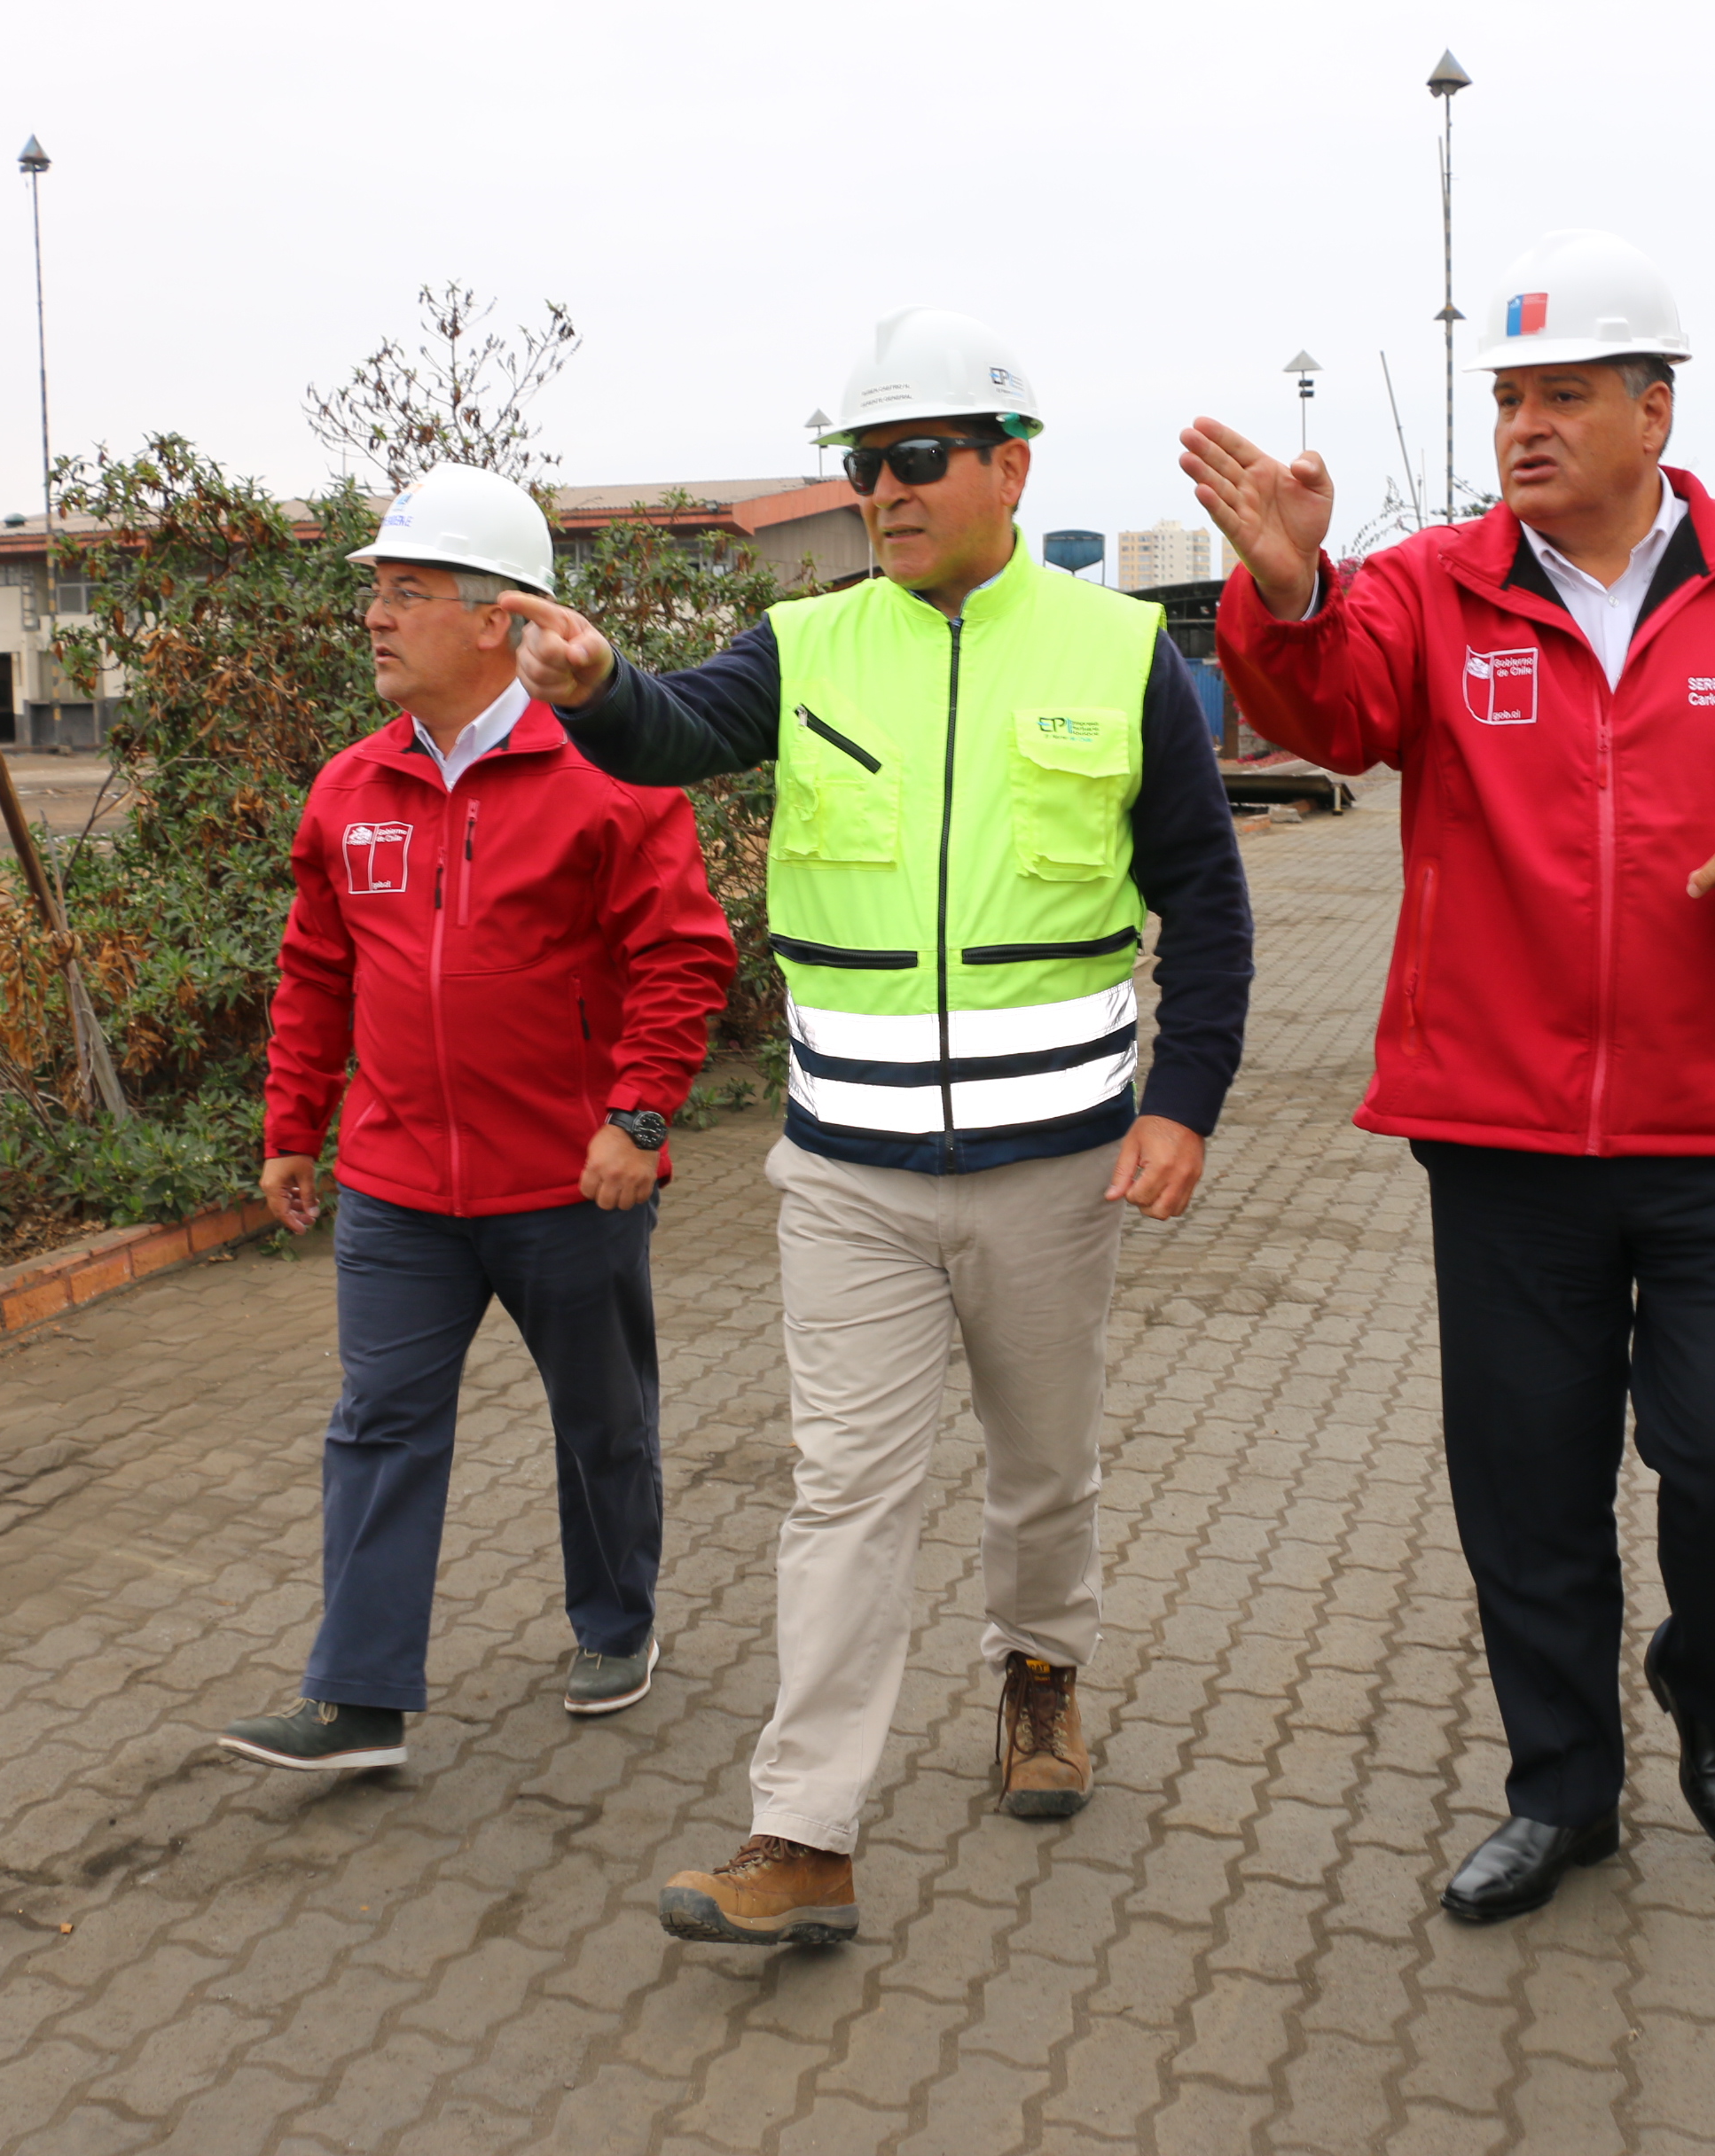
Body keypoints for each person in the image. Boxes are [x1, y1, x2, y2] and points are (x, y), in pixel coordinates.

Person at [1184, 227, 1715, 1925]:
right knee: (1526, 1484)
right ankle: (1564, 1789)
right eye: (1506, 398)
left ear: (1652, 410)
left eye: (1561, 395)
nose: (1523, 426)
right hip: (1502, 1134)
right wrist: (1293, 588)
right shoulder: (1427, 589)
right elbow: (1330, 716)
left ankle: (1700, 1664)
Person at [505, 309, 1257, 1949]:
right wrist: (591, 686)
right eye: (863, 462)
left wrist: (1183, 1102)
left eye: (917, 458)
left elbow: (1205, 897)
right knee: (841, 1489)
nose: (886, 489)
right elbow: (674, 729)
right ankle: (805, 1832)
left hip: (1054, 1171)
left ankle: (1038, 1675)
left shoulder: (1120, 654)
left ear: (1009, 463)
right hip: (843, 1175)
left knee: (1040, 1471)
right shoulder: (812, 643)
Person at [217, 464, 739, 1777]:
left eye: (407, 591)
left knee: (601, 1420)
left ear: (498, 617)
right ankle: (360, 1697)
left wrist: (636, 1114)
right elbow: (316, 968)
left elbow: (684, 954)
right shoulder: (350, 791)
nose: (377, 616)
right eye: (376, 592)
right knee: (379, 1421)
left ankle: (616, 1621)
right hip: (398, 1188)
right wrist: (295, 1124)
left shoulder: (608, 772)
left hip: (570, 1180)